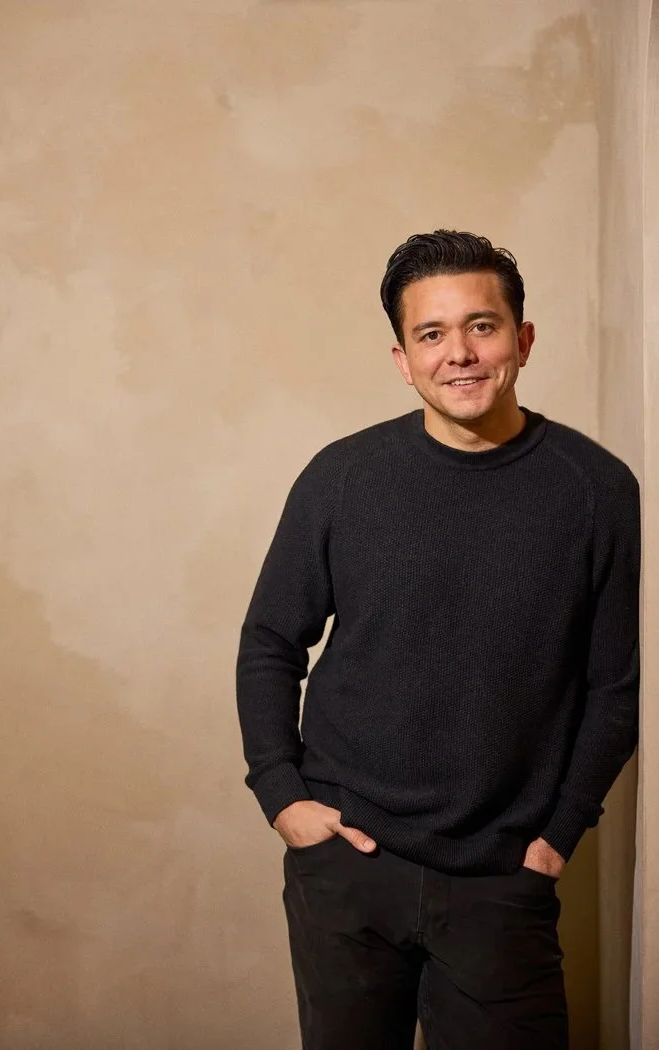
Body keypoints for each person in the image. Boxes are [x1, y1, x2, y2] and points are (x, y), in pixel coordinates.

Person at [235, 230, 640, 1050]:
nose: (459, 353)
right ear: (401, 357)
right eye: (431, 334)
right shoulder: (343, 478)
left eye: (482, 326)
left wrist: (558, 834)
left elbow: (615, 688)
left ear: (522, 340)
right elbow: (271, 641)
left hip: (502, 877)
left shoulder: (596, 490)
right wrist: (283, 797)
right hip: (349, 866)